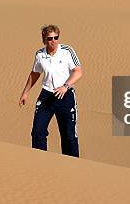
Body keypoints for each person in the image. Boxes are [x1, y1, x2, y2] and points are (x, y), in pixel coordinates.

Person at [18, 25, 83, 157]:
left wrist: (66, 86)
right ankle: (40, 162)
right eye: (50, 38)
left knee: (69, 135)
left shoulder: (67, 51)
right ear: (44, 39)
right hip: (47, 96)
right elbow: (35, 74)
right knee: (37, 132)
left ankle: (72, 166)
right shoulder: (40, 55)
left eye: (56, 37)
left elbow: (78, 71)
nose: (53, 41)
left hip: (65, 96)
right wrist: (25, 92)